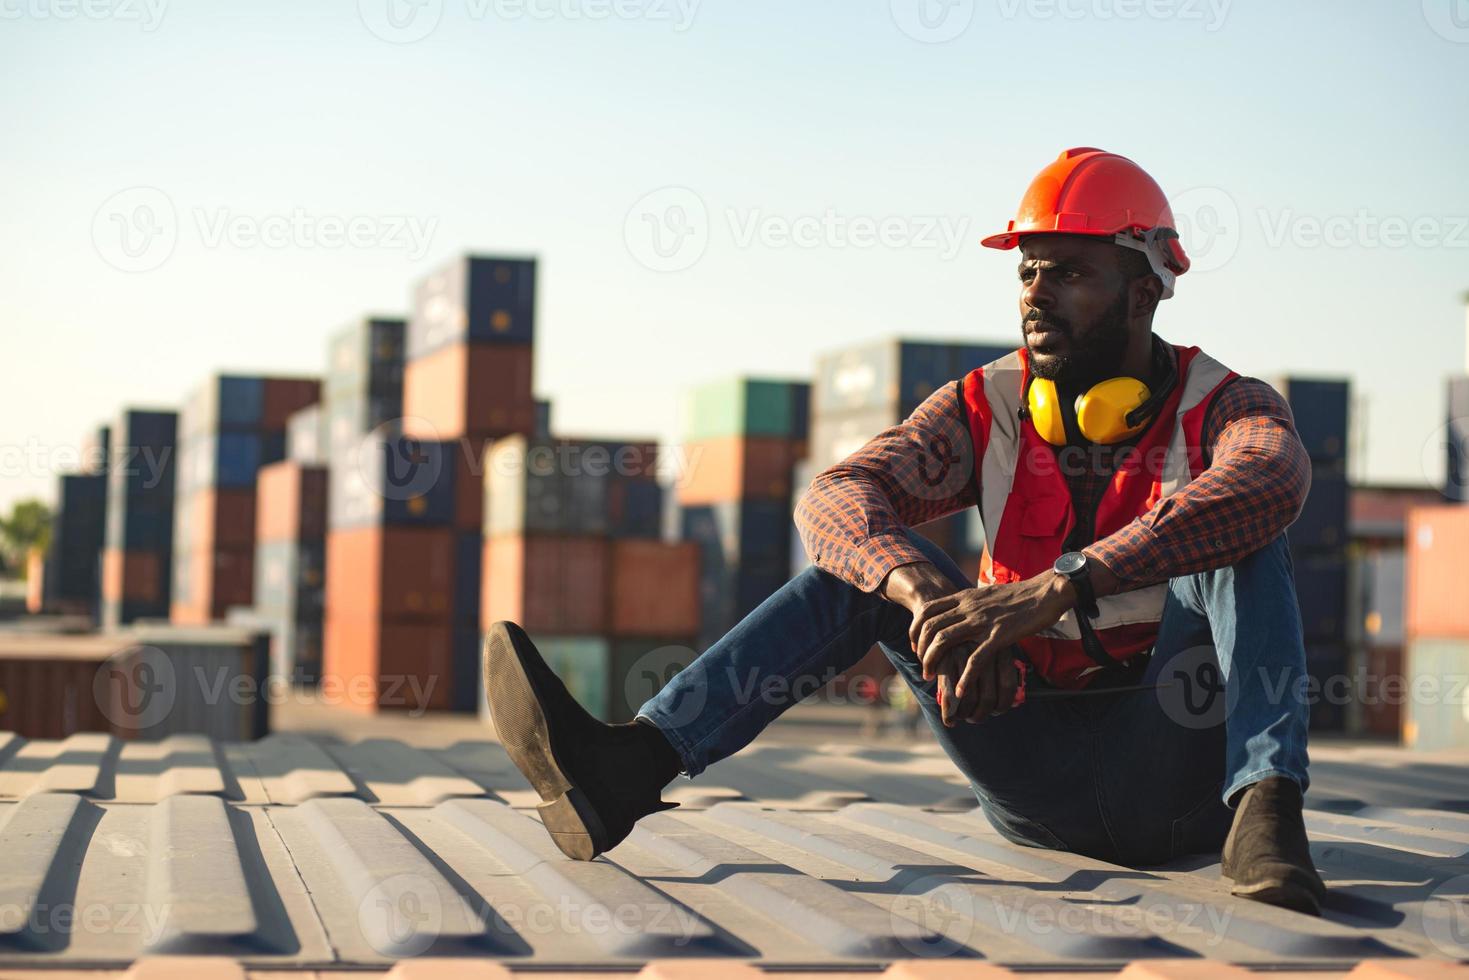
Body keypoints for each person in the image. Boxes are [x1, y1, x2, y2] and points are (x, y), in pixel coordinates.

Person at [482, 147, 1328, 916]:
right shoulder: (986, 405)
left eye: (1068, 271)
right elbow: (838, 495)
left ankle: (1266, 812)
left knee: (1242, 533)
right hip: (1026, 762)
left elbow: (1269, 478)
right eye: (1027, 271)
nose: (1035, 291)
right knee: (857, 572)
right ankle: (624, 771)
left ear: (1145, 288)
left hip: (1171, 774)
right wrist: (922, 596)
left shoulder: (1224, 405)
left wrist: (1056, 589)